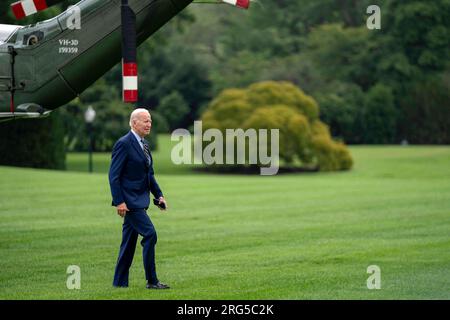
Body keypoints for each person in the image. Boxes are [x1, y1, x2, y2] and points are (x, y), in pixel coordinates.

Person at [109, 108, 169, 289]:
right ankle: (152, 281)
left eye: (150, 120)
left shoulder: (144, 144)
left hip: (139, 201)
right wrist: (119, 201)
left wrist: (159, 195)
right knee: (150, 234)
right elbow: (114, 176)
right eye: (145, 121)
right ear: (134, 123)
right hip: (130, 202)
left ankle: (119, 283)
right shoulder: (123, 144)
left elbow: (149, 174)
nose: (149, 124)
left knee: (128, 245)